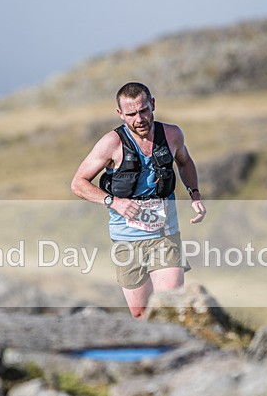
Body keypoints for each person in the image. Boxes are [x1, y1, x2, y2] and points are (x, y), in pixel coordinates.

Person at [70, 82, 206, 319]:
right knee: (141, 315)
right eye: (131, 114)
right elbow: (78, 184)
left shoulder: (172, 135)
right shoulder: (111, 143)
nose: (139, 119)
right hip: (127, 240)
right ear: (120, 114)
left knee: (170, 308)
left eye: (143, 110)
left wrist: (194, 193)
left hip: (165, 234)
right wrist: (114, 202)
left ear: (153, 105)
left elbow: (185, 162)